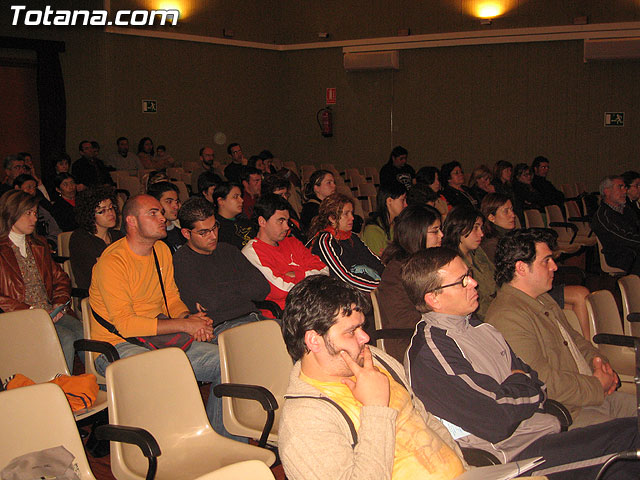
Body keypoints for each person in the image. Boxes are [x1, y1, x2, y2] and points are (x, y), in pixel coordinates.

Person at [402, 247, 640, 479]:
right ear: (433, 298)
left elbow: (537, 382)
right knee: (629, 446)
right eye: (462, 281)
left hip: (541, 432)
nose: (474, 283)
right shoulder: (431, 352)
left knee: (631, 439)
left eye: (470, 275)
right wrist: (518, 380)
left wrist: (514, 385)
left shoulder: (482, 329)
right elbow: (496, 418)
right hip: (512, 457)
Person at [278, 274, 469, 480]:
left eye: (361, 326)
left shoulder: (374, 359)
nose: (365, 337)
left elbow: (423, 418)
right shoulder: (303, 422)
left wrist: (467, 468)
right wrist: (376, 407)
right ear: (314, 340)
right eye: (351, 331)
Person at [89, 194, 230, 437]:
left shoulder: (161, 251)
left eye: (161, 213)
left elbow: (172, 299)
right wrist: (185, 325)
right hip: (115, 345)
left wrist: (191, 319)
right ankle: (171, 445)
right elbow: (126, 325)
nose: (162, 217)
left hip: (154, 338)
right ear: (132, 222)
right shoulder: (113, 262)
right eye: (153, 213)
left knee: (225, 361)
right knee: (166, 371)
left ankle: (220, 438)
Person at [486, 228, 636, 428]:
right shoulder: (507, 316)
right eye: (546, 261)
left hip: (589, 396)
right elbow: (541, 381)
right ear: (521, 268)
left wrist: (601, 365)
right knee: (631, 434)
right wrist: (597, 385)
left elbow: (577, 342)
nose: (555, 267)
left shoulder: (541, 298)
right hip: (568, 412)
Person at [481, 193, 592, 341]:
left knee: (573, 307)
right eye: (506, 211)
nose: (512, 215)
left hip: (532, 288)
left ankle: (581, 346)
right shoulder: (493, 245)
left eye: (512, 210)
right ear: (491, 217)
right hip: (523, 292)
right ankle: (586, 343)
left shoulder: (512, 237)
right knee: (580, 294)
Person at [0, 190, 83, 372]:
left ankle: (92, 381)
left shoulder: (39, 245)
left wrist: (59, 303)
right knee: (65, 339)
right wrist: (31, 312)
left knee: (81, 331)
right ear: (11, 214)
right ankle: (60, 390)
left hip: (49, 311)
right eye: (28, 213)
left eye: (35, 213)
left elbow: (60, 278)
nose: (34, 218)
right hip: (19, 317)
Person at [173, 197, 270, 330]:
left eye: (214, 227)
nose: (213, 236)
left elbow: (262, 288)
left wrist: (221, 289)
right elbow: (210, 302)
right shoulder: (181, 261)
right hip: (223, 327)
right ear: (186, 233)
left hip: (255, 317)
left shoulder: (228, 250)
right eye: (204, 232)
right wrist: (240, 285)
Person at [377, 204, 443, 361]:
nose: (442, 235)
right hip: (410, 343)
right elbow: (403, 317)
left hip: (428, 335)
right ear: (416, 234)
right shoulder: (398, 270)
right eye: (435, 231)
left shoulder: (427, 263)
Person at [242, 194, 328, 312]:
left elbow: (324, 270)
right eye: (280, 221)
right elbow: (281, 289)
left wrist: (294, 274)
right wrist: (306, 273)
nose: (287, 227)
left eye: (287, 221)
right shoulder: (252, 252)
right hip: (287, 312)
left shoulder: (292, 242)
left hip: (312, 305)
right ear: (262, 221)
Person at [307, 193, 384, 291]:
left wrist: (390, 279)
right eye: (346, 214)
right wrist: (382, 288)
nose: (352, 217)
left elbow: (374, 261)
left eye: (352, 213)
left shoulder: (352, 237)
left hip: (365, 289)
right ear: (332, 218)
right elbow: (344, 279)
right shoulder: (325, 241)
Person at [442, 206, 495, 320]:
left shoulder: (477, 252)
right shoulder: (451, 263)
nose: (481, 234)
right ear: (459, 229)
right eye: (475, 228)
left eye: (481, 228)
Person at [69, 186, 124, 290]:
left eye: (111, 208)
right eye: (102, 211)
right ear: (90, 215)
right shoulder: (80, 239)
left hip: (120, 289)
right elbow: (95, 276)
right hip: (96, 294)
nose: (110, 214)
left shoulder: (118, 236)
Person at [591, 175, 640, 274]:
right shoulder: (604, 216)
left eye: (625, 187)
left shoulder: (626, 209)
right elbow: (623, 238)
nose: (625, 191)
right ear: (607, 191)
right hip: (620, 255)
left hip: (633, 249)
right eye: (620, 187)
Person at [361, 181, 407, 256]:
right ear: (389, 201)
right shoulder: (372, 230)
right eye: (402, 200)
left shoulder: (395, 225)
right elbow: (381, 263)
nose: (406, 205)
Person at [13, 174, 60, 244]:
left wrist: (50, 243)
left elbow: (54, 229)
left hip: (40, 243)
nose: (32, 191)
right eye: (29, 187)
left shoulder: (40, 207)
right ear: (17, 188)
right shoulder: (12, 208)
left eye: (34, 188)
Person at [212, 182, 257, 249]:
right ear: (221, 201)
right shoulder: (216, 228)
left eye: (240, 196)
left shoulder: (244, 220)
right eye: (235, 197)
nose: (241, 200)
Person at [147, 181, 185, 254]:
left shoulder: (183, 229)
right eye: (169, 201)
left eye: (177, 201)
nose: (176, 206)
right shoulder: (152, 238)